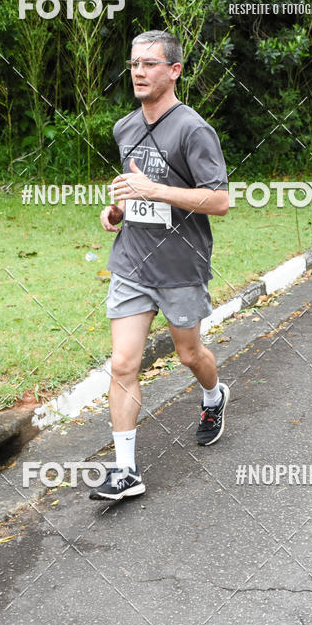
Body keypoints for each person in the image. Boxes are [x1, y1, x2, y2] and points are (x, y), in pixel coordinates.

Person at [89, 30, 230, 502]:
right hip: (132, 261)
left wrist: (158, 191)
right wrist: (117, 211)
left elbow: (220, 200)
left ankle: (214, 396)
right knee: (123, 363)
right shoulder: (125, 128)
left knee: (189, 355)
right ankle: (125, 471)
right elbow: (135, 192)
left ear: (174, 71)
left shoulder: (193, 130)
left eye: (149, 63)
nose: (138, 71)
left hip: (180, 265)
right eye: (133, 63)